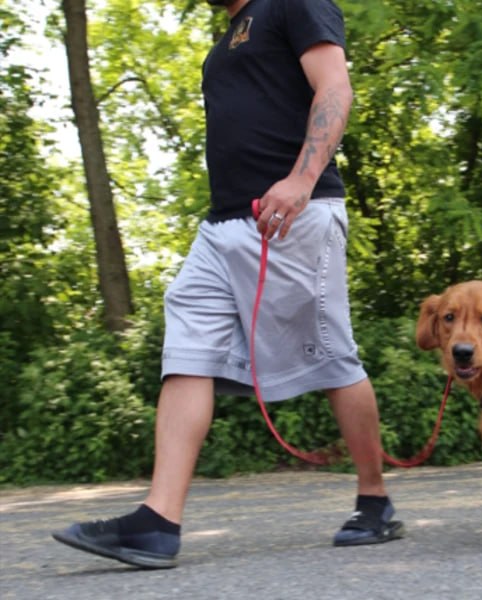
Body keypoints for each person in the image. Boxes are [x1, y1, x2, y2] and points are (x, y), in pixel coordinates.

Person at [52, 0, 403, 569]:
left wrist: (301, 180)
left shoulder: (294, 2)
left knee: (334, 356)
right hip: (223, 224)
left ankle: (375, 500)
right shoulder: (226, 42)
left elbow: (335, 88)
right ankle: (157, 523)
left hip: (291, 212)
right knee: (188, 348)